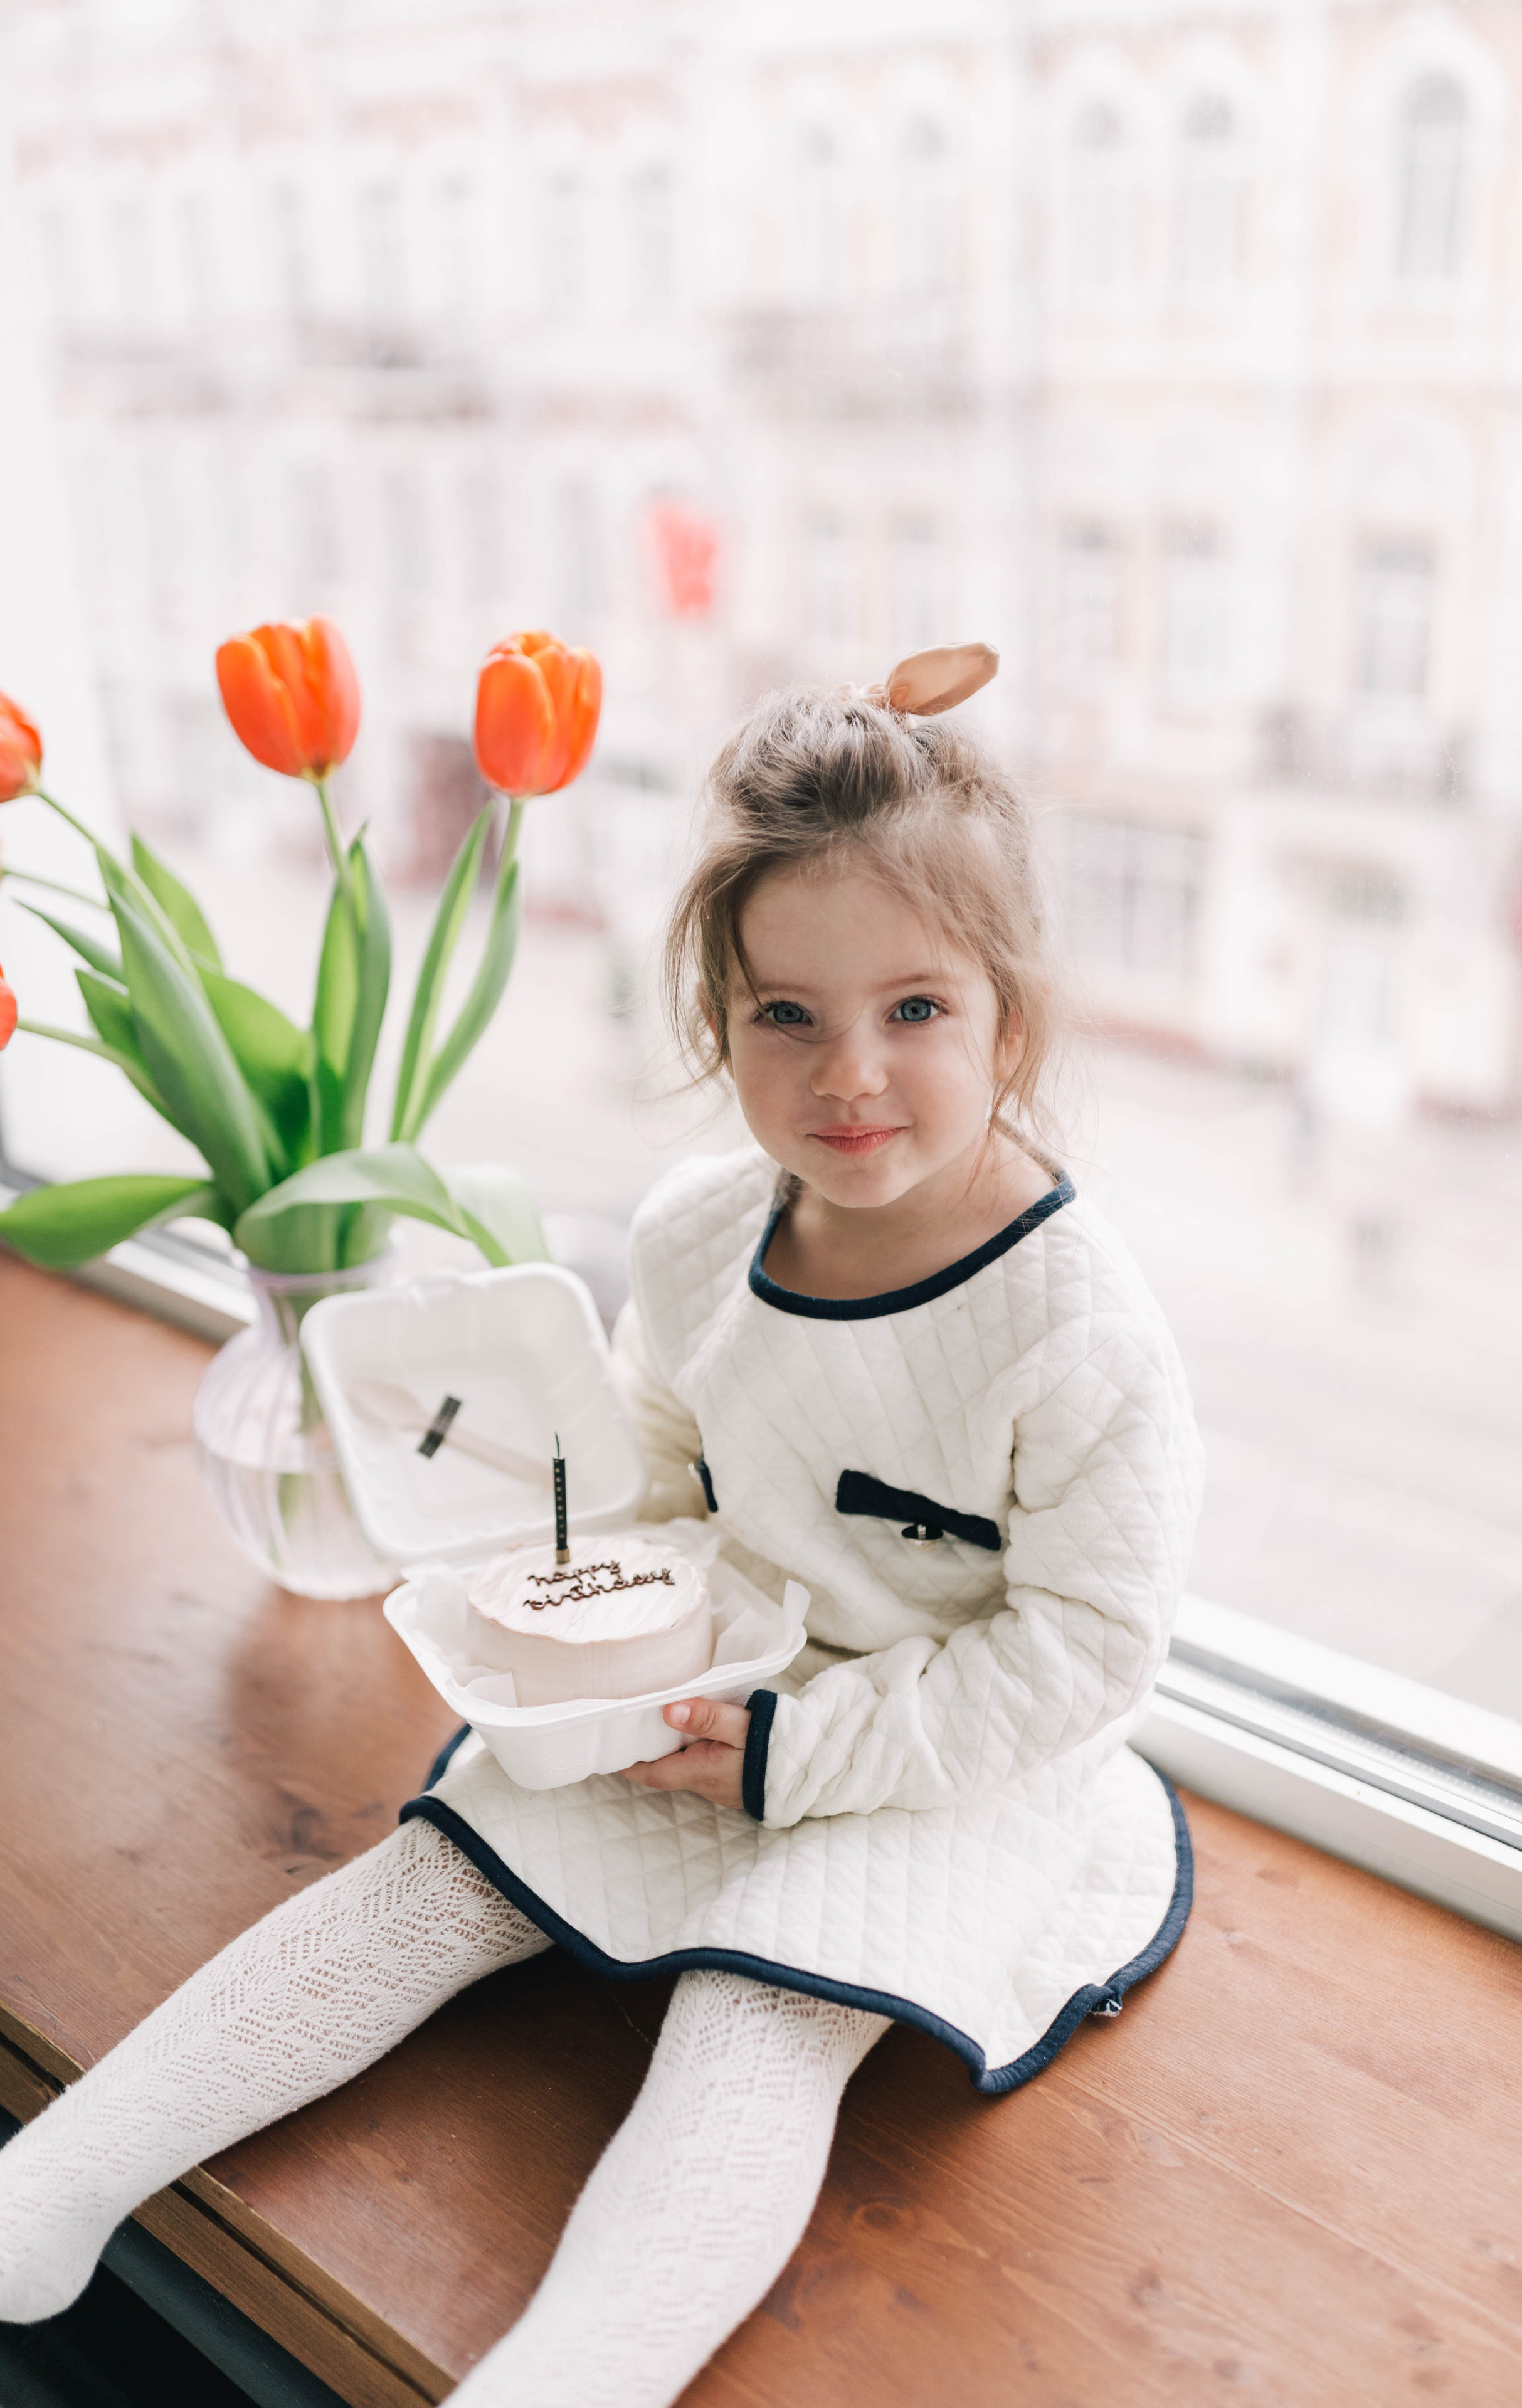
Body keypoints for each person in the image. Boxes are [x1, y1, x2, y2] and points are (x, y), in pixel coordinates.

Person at [0, 648, 1204, 2406]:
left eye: (915, 1010)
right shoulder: (700, 1235)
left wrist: (799, 1754)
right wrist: (578, 1622)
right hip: (704, 1682)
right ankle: (45, 2187)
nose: (850, 1073)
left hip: (956, 1760)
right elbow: (645, 1466)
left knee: (756, 2018)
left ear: (1007, 1019)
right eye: (786, 1015)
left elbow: (1085, 1651)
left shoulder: (1078, 1327)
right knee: (423, 1887)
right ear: (717, 1017)